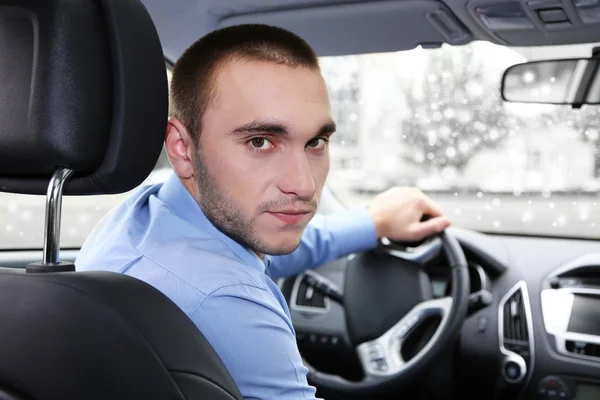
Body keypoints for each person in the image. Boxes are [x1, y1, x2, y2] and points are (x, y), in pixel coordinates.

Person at [76, 24, 450, 399]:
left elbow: (255, 245)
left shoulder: (145, 211)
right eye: (260, 141)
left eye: (316, 141)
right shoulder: (228, 298)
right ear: (182, 148)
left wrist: (372, 223)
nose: (303, 185)